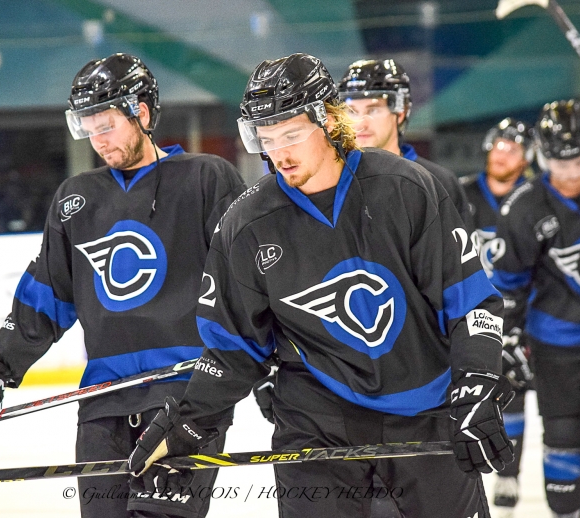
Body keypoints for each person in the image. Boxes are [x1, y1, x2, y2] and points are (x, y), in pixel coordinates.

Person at [128, 53, 512, 518]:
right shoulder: (246, 226)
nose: (279, 154)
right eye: (265, 139)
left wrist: (475, 381)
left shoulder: (407, 188)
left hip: (426, 411)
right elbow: (233, 349)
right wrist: (188, 422)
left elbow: (471, 303)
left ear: (329, 120)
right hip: (317, 422)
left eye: (291, 135)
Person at [0, 53, 246, 518]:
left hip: (185, 401)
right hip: (102, 404)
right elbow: (44, 300)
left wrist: (259, 364)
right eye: (88, 127)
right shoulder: (76, 199)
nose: (97, 140)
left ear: (141, 112)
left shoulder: (207, 178)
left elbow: (241, 287)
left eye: (107, 125)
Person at [492, 99, 580, 518]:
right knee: (564, 442)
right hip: (556, 341)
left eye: (579, 162)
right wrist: (507, 337)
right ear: (542, 156)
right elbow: (508, 284)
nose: (571, 174)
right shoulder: (524, 207)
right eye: (559, 163)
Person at [461, 117, 536, 514]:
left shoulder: (534, 198)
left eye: (513, 148)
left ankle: (508, 472)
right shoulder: (462, 193)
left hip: (519, 312)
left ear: (527, 157)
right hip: (467, 308)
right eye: (498, 146)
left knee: (514, 390)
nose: (503, 153)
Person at [338, 58, 474, 229]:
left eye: (373, 110)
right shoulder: (333, 180)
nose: (361, 123)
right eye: (352, 111)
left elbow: (462, 255)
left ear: (401, 113)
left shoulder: (440, 182)